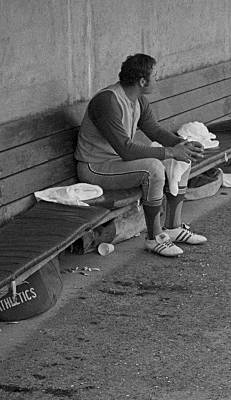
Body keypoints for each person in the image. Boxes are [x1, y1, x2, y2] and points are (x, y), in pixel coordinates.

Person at [75, 53, 207, 257]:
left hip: (117, 163)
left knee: (182, 157)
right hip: (95, 167)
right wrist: (171, 151)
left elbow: (154, 130)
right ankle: (155, 238)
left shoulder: (139, 100)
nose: (158, 79)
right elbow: (126, 149)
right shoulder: (107, 101)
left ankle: (173, 227)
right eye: (156, 75)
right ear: (142, 81)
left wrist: (182, 145)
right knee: (153, 169)